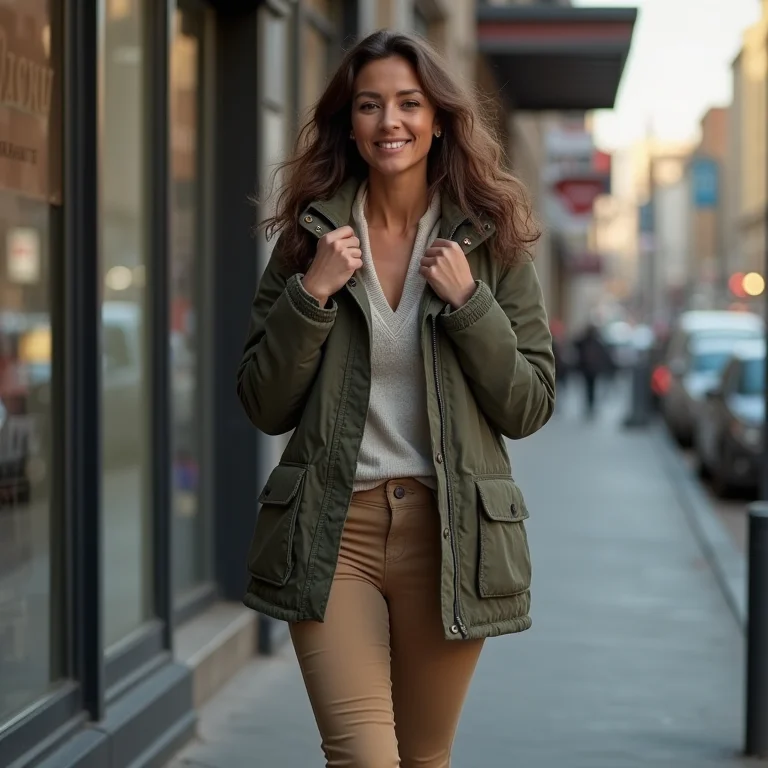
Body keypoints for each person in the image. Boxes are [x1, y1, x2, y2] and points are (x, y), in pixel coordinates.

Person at [236, 30, 555, 767]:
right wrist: (311, 294)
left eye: (409, 103)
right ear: (349, 123)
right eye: (371, 105)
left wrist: (472, 304)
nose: (391, 122)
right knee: (364, 757)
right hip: (331, 527)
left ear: (439, 118)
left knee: (423, 757)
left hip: (451, 534)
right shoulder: (309, 241)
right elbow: (262, 401)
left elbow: (529, 404)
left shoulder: (490, 242)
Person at [574, 322, 614, 418]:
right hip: (591, 369)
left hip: (589, 369)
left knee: (589, 387)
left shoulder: (587, 341)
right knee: (590, 388)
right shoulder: (595, 342)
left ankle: (589, 405)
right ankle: (590, 405)